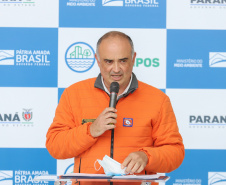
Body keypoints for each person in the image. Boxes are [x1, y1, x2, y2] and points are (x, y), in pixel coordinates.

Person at [46, 31, 185, 185]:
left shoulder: (158, 99)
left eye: (123, 61)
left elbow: (175, 152)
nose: (116, 69)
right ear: (97, 61)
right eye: (109, 61)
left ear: (133, 59)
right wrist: (91, 130)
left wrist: (147, 156)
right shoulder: (74, 94)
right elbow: (55, 146)